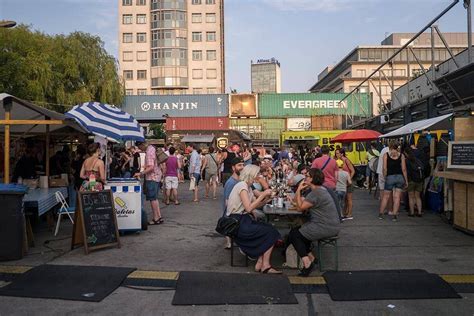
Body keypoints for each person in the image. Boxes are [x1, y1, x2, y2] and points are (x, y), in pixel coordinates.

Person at [226, 165, 281, 274]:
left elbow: (252, 206)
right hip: (238, 223)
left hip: (243, 220)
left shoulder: (248, 186)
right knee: (271, 232)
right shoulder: (242, 186)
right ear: (251, 175)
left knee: (269, 228)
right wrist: (263, 195)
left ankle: (262, 262)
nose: (258, 176)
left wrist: (266, 200)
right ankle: (264, 264)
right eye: (257, 174)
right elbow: (249, 208)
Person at [289, 168, 340, 277]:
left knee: (294, 235)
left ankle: (307, 264)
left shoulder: (315, 193)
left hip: (325, 226)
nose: (305, 178)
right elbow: (304, 204)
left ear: (312, 179)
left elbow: (300, 208)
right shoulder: (320, 190)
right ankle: (311, 258)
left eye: (307, 176)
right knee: (301, 232)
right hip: (331, 225)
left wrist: (298, 190)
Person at [134, 140, 164, 225]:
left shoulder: (149, 152)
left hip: (152, 177)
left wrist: (140, 173)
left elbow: (151, 167)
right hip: (157, 176)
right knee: (155, 198)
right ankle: (159, 216)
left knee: (152, 199)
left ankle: (156, 218)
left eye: (139, 147)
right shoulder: (153, 148)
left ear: (142, 145)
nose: (140, 149)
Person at [379, 141, 408, 221]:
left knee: (385, 196)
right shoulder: (401, 156)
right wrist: (406, 180)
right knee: (397, 197)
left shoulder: (386, 155)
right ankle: (394, 215)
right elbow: (404, 169)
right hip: (399, 177)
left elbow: (384, 168)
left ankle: (381, 214)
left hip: (390, 177)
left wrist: (385, 177)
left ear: (390, 146)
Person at [222, 157, 245, 249]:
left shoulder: (240, 180)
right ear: (233, 168)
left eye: (243, 165)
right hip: (233, 215)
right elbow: (227, 203)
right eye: (239, 165)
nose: (242, 167)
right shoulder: (231, 183)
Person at [335, 148, 356, 220]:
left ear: (342, 154)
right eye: (336, 153)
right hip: (342, 182)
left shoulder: (346, 160)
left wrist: (348, 179)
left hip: (348, 182)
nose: (336, 154)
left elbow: (353, 171)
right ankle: (344, 212)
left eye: (337, 153)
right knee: (345, 199)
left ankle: (349, 214)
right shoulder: (337, 161)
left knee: (349, 198)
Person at [405, 147, 423, 217]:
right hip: (419, 180)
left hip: (411, 180)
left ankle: (412, 212)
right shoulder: (418, 160)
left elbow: (405, 171)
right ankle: (419, 212)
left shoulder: (407, 161)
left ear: (406, 153)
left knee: (411, 197)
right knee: (418, 197)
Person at [376, 142, 392, 215]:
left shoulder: (383, 150)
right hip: (386, 173)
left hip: (380, 172)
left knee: (382, 192)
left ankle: (383, 209)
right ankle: (390, 209)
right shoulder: (389, 151)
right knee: (390, 192)